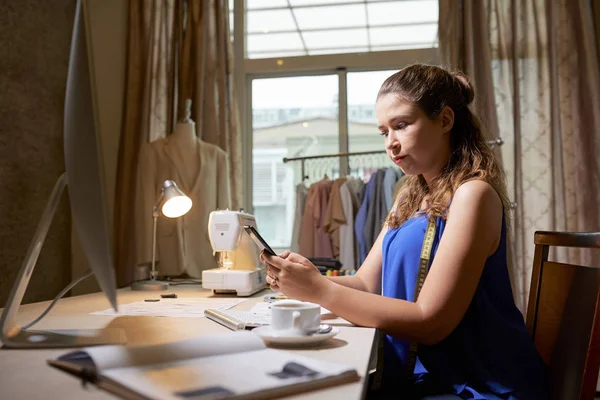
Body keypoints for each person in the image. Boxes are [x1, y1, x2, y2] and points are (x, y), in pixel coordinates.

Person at [261, 64, 549, 399]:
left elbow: (431, 322)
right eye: (385, 132)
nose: (391, 144)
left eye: (401, 125)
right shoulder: (408, 198)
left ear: (444, 120)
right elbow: (365, 284)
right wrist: (305, 280)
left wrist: (319, 291)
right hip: (424, 377)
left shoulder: (474, 194)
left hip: (475, 385)